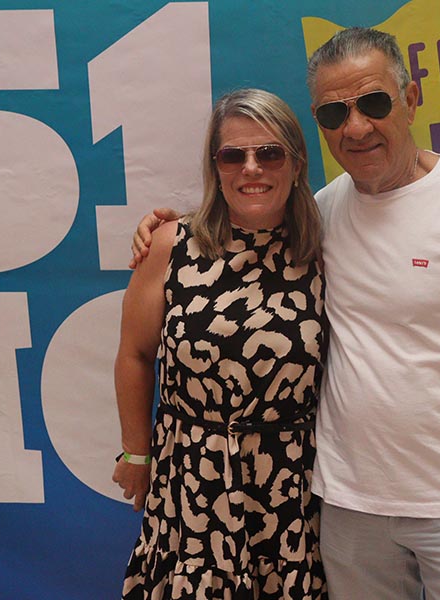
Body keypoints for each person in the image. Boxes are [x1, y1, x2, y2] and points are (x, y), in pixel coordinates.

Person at [132, 28, 440, 600]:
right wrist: (166, 228)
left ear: (411, 100)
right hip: (343, 509)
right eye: (335, 113)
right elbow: (239, 230)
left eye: (374, 103)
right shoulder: (319, 216)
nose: (356, 127)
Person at [113, 88, 328, 600]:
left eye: (269, 153)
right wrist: (136, 453)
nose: (251, 168)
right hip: (191, 475)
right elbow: (135, 354)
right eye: (233, 155)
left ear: (296, 163)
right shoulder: (170, 244)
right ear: (216, 166)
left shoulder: (324, 247)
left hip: (290, 484)